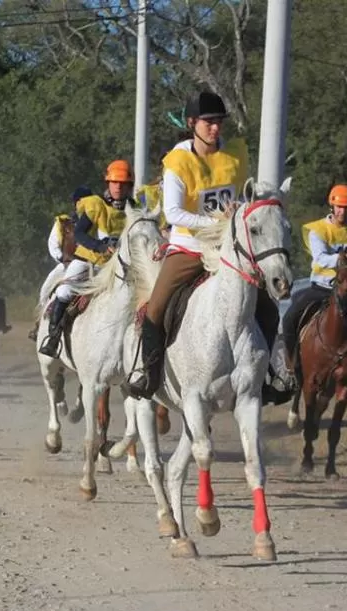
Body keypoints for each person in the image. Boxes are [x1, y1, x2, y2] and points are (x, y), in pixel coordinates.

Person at [126, 90, 282, 401]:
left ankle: (268, 376)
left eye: (218, 121)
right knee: (155, 309)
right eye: (208, 122)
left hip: (229, 250)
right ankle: (149, 373)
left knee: (266, 305)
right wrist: (216, 222)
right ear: (191, 123)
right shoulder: (178, 162)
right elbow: (173, 213)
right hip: (189, 248)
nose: (215, 128)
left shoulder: (235, 155)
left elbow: (240, 196)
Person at [281, 183, 347, 409]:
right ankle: (290, 368)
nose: (342, 212)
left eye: (346, 208)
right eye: (338, 207)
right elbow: (320, 258)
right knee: (289, 319)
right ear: (331, 205)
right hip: (322, 288)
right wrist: (344, 258)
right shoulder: (318, 230)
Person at [39, 162, 134, 357]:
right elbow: (80, 234)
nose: (118, 187)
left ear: (129, 185)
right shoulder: (96, 205)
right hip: (90, 261)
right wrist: (99, 246)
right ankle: (53, 337)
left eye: (123, 183)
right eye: (114, 182)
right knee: (64, 291)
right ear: (108, 183)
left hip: (121, 265)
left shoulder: (135, 208)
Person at [29, 186, 93, 342]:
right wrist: (62, 258)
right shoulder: (63, 223)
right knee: (45, 290)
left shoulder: (98, 219)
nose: (82, 204)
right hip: (67, 265)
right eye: (80, 201)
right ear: (75, 203)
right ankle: (42, 327)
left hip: (94, 265)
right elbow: (53, 244)